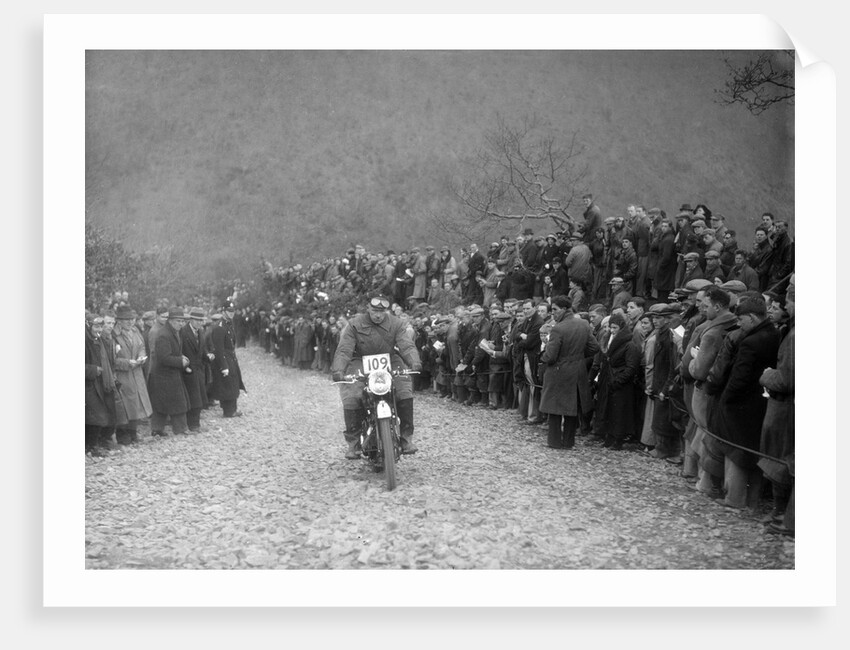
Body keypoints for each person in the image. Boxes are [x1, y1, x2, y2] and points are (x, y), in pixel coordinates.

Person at [331, 294, 422, 459]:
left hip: (389, 358)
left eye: (382, 311)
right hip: (360, 360)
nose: (378, 315)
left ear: (386, 310)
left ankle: (406, 438)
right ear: (368, 308)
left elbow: (406, 344)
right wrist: (339, 369)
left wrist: (414, 361)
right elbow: (344, 349)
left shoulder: (396, 323)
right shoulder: (354, 324)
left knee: (404, 390)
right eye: (374, 310)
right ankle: (354, 443)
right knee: (352, 394)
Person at [538, 295, 599, 449]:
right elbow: (594, 348)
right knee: (572, 407)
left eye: (555, 310)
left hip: (559, 371)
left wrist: (544, 354)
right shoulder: (584, 324)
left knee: (555, 408)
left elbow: (551, 356)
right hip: (577, 371)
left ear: (565, 309)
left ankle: (554, 442)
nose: (553, 314)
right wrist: (577, 357)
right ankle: (568, 442)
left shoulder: (558, 328)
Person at [591, 312, 641, 450]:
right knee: (609, 410)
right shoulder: (611, 341)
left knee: (619, 412)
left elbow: (631, 367)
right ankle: (610, 436)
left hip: (620, 382)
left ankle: (618, 439)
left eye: (614, 328)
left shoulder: (629, 345)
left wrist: (618, 381)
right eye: (611, 327)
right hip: (610, 380)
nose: (611, 331)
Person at [147, 308, 191, 437]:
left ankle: (160, 429)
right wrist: (180, 361)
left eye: (182, 321)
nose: (181, 324)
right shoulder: (163, 335)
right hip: (163, 375)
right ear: (170, 321)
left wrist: (181, 357)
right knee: (171, 403)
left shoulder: (174, 332)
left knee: (167, 403)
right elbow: (164, 358)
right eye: (178, 321)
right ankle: (177, 429)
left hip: (170, 373)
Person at [111, 304, 152, 445]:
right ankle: (123, 436)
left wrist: (141, 357)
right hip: (122, 375)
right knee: (124, 405)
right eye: (126, 319)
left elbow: (141, 347)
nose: (130, 322)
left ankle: (133, 433)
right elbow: (112, 359)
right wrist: (128, 362)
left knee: (136, 403)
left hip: (136, 372)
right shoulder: (113, 335)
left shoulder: (135, 331)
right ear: (119, 321)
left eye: (132, 319)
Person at [211, 301, 247, 418]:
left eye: (232, 311)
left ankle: (232, 409)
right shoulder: (220, 327)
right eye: (228, 311)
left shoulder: (229, 324)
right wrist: (224, 365)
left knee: (233, 382)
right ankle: (228, 410)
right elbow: (219, 349)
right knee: (227, 383)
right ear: (223, 311)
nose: (231, 314)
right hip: (225, 358)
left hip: (231, 357)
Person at [181, 307, 209, 433]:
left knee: (199, 396)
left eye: (201, 320)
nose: (199, 322)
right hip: (187, 370)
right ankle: (191, 424)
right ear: (191, 319)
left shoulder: (201, 331)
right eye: (197, 320)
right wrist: (184, 366)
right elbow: (179, 350)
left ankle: (195, 423)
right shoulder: (183, 332)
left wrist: (207, 357)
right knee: (191, 397)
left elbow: (202, 349)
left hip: (198, 368)